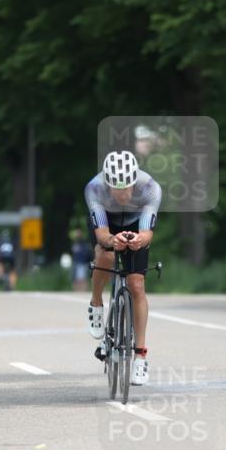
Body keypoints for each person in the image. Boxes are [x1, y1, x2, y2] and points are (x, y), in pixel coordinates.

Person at [85, 150, 161, 386]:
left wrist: (140, 240)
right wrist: (111, 241)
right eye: (117, 189)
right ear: (107, 183)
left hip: (136, 222)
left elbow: (147, 232)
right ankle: (96, 303)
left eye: (127, 188)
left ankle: (140, 356)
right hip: (107, 222)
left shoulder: (150, 188)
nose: (123, 194)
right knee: (105, 257)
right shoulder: (94, 188)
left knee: (136, 283)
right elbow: (101, 233)